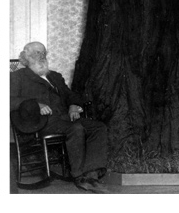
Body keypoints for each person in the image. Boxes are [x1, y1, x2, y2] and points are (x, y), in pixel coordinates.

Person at [11, 42, 109, 193]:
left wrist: (73, 105)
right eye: (36, 53)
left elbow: (71, 95)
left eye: (43, 53)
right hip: (41, 122)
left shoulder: (55, 76)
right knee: (75, 128)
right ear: (25, 56)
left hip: (64, 118)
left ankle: (92, 174)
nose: (40, 55)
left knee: (98, 127)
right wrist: (35, 104)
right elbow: (9, 100)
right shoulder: (18, 77)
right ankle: (79, 176)